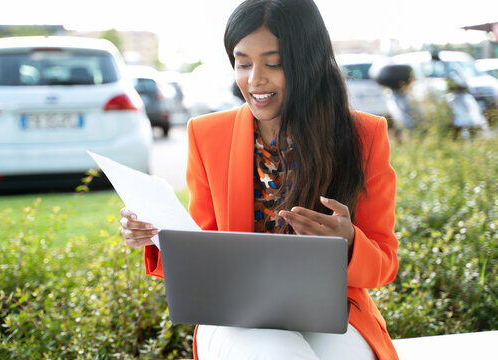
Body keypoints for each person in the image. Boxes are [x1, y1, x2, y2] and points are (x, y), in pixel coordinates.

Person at [120, 0, 399, 358]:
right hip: (234, 316)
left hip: (335, 313)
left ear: (308, 62)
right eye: (243, 62)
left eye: (274, 63)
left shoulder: (364, 135)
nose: (255, 80)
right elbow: (201, 248)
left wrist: (347, 243)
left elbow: (385, 263)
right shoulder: (207, 135)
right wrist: (156, 235)